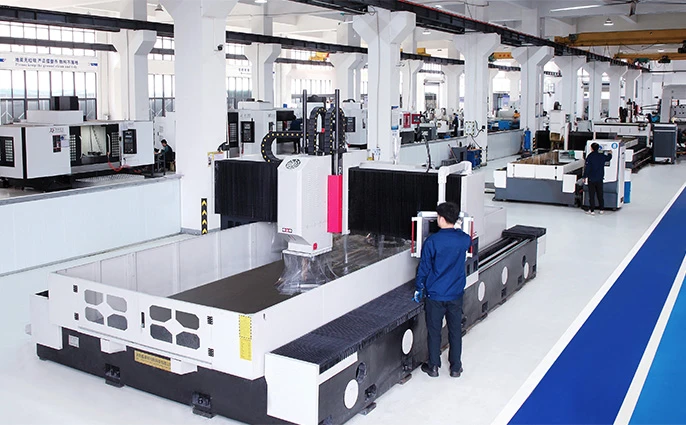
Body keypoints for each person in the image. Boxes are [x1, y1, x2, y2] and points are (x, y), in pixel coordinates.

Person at [413, 202, 472, 378]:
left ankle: (433, 367)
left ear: (441, 219)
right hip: (455, 294)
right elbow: (467, 241)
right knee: (455, 331)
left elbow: (424, 268)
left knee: (434, 331)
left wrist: (419, 287)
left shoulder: (432, 241)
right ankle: (456, 367)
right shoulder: (463, 239)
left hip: (435, 295)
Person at [583, 142, 612, 215]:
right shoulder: (601, 156)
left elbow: (587, 168)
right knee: (600, 194)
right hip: (600, 178)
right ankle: (601, 209)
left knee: (591, 195)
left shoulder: (590, 156)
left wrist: (584, 176)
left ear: (591, 148)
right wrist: (610, 153)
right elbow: (608, 158)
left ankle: (592, 210)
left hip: (591, 178)